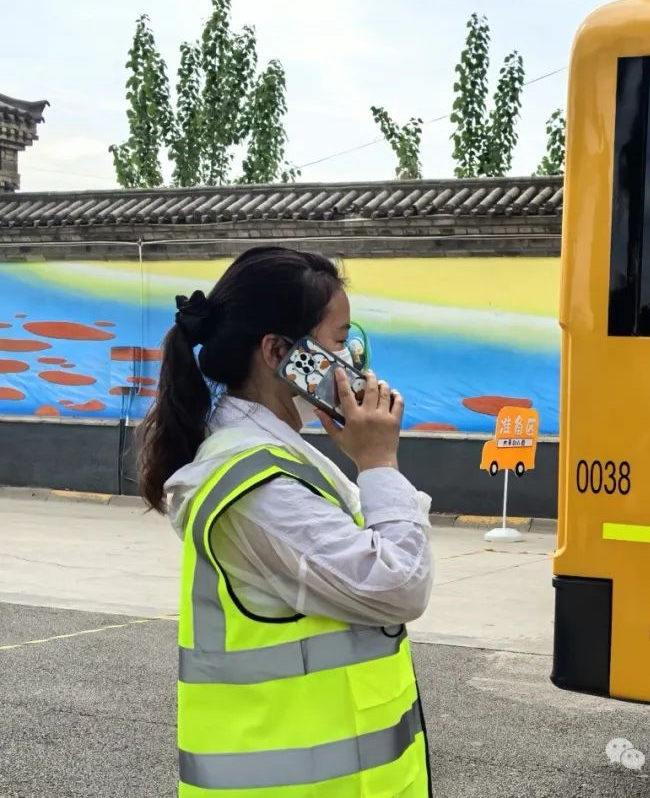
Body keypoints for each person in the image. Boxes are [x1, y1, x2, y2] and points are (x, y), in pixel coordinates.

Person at [138, 246, 433, 797]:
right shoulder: (258, 486)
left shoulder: (284, 460)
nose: (356, 361)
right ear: (279, 352)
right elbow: (400, 584)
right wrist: (378, 463)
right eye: (342, 341)